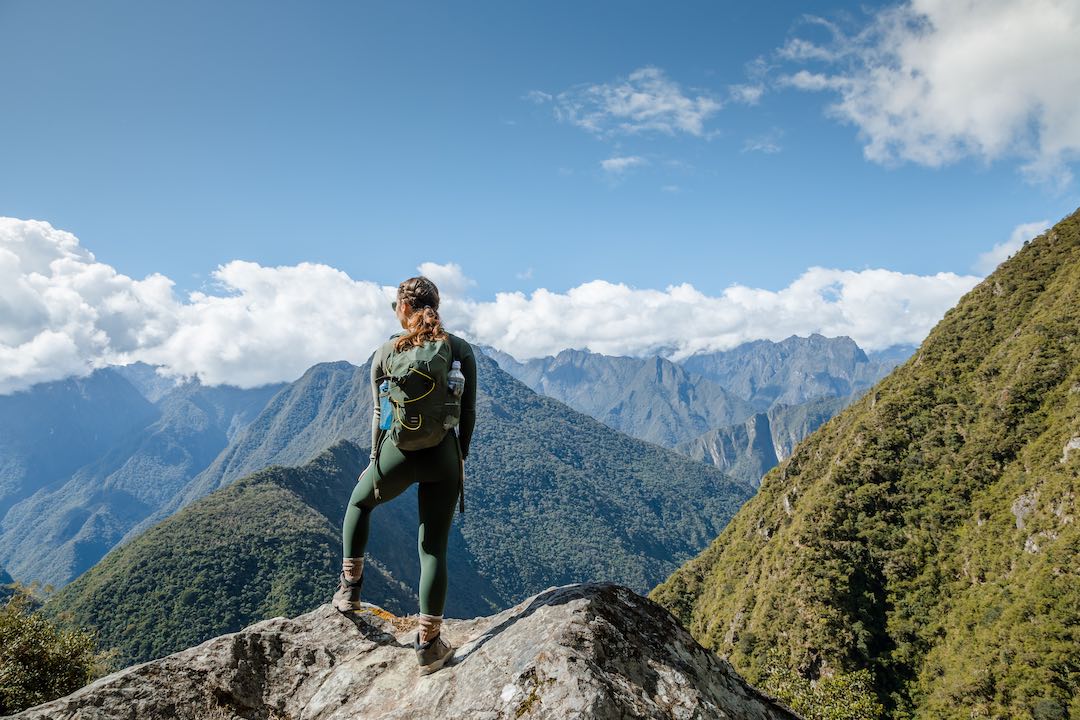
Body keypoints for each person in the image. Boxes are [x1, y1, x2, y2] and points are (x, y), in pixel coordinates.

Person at [333, 275, 477, 674]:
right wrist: (458, 457)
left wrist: (375, 458)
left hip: (396, 454)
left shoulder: (385, 352)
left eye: (395, 306)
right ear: (436, 305)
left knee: (359, 503)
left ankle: (349, 591)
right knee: (432, 549)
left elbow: (379, 416)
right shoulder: (459, 349)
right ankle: (429, 645)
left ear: (403, 308)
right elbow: (468, 414)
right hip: (444, 457)